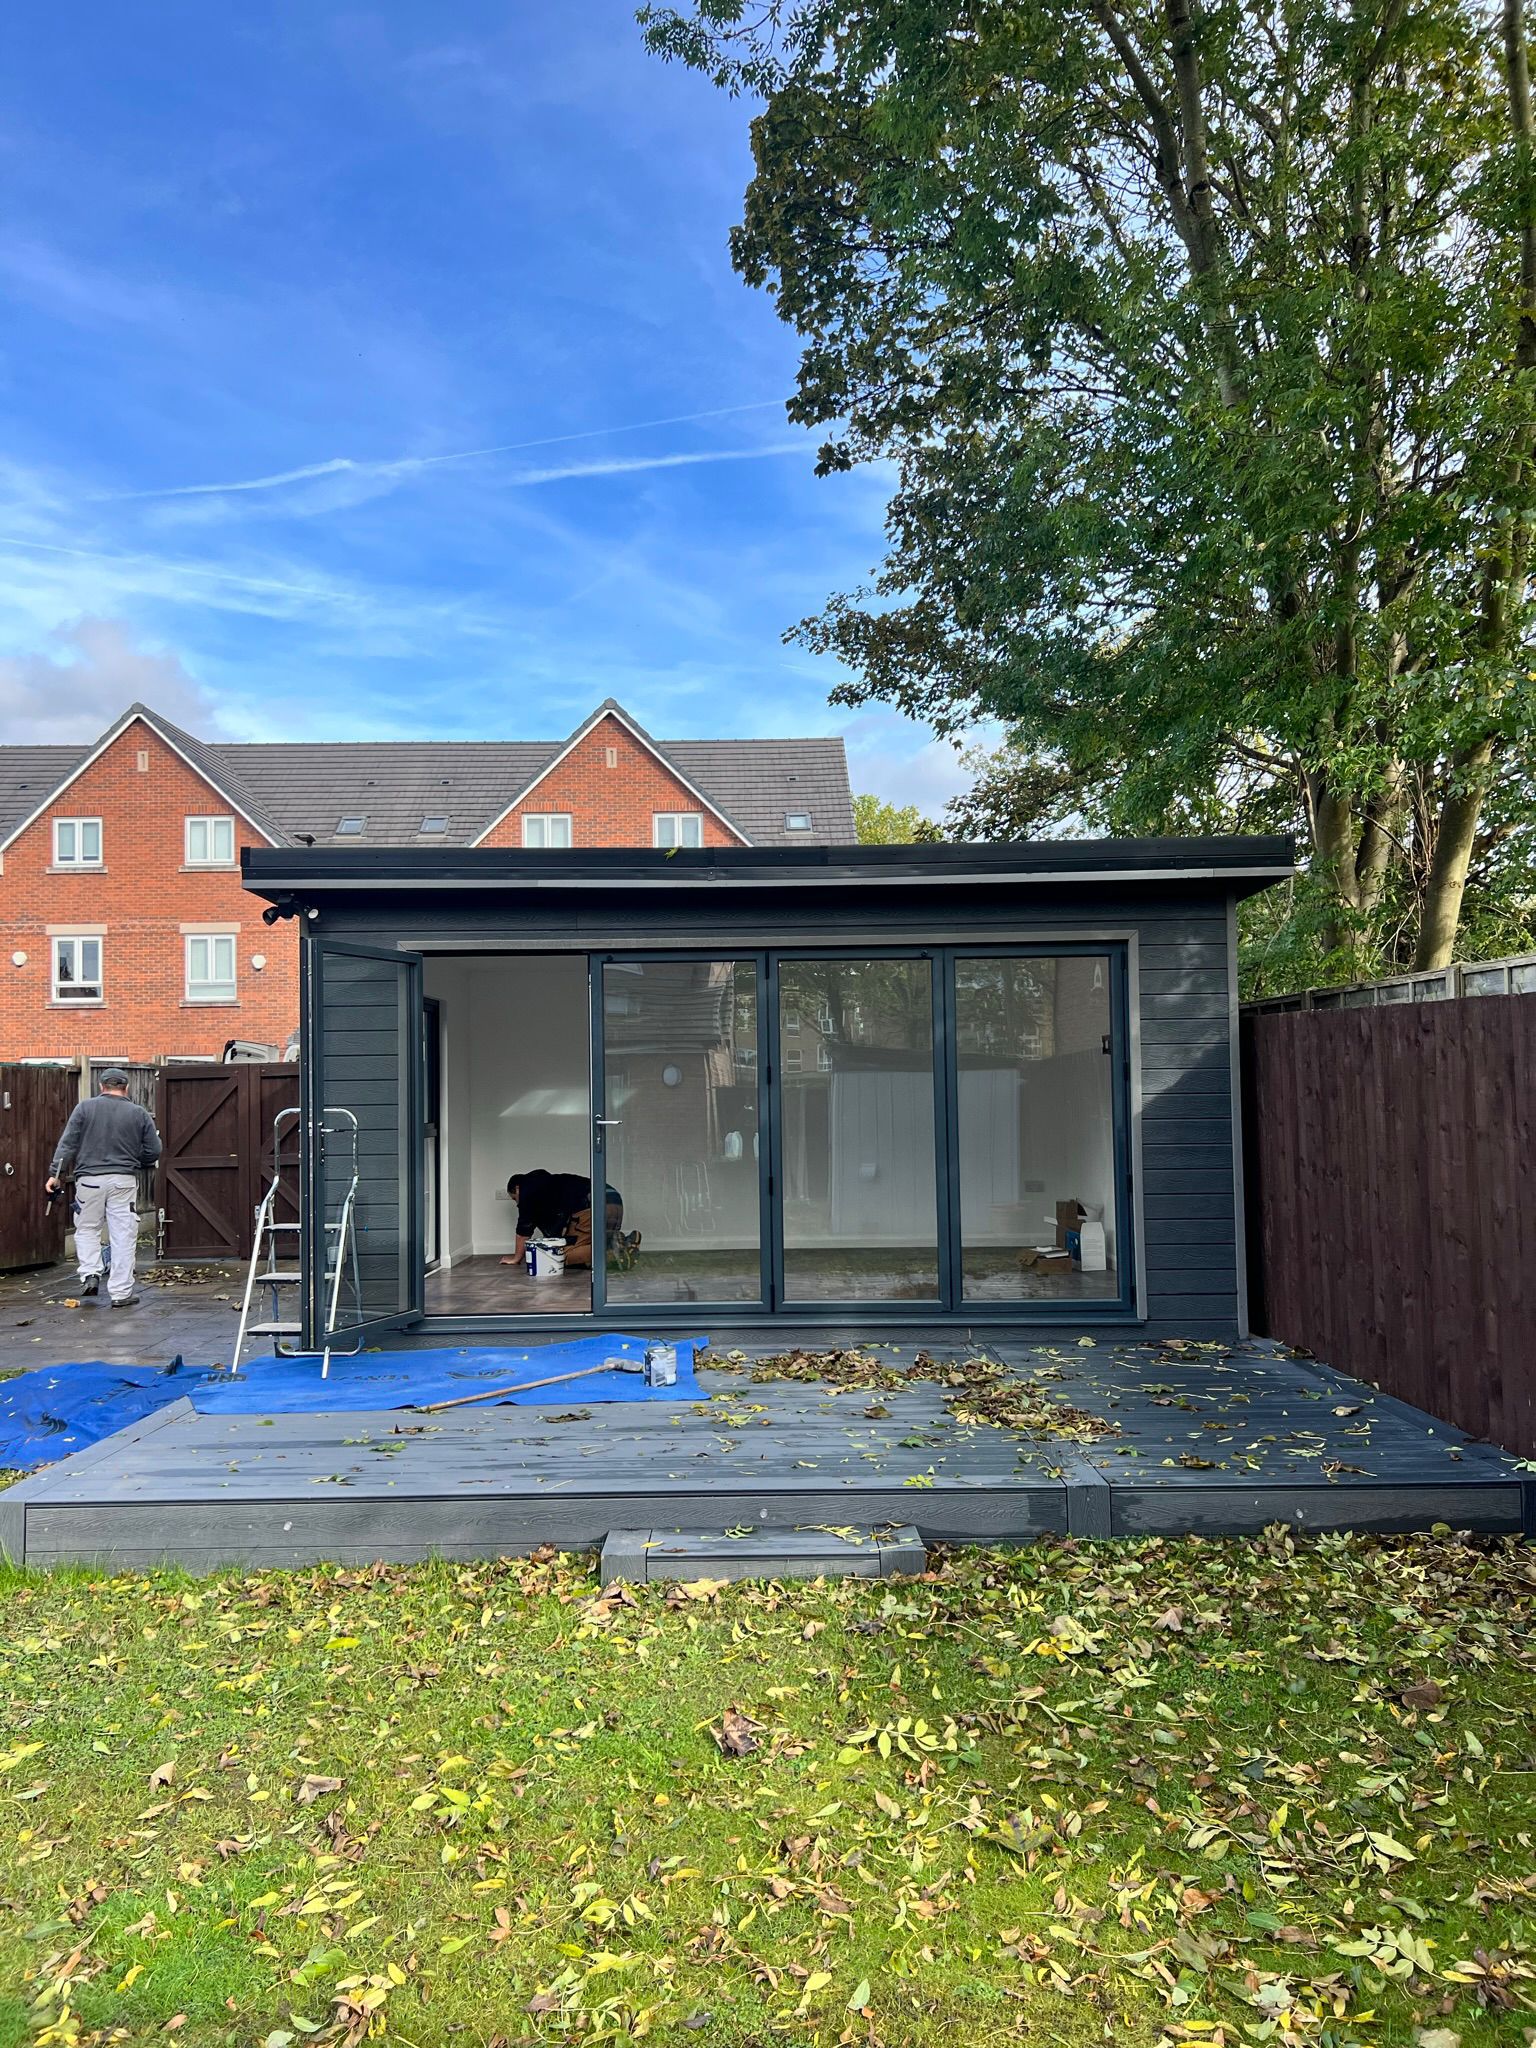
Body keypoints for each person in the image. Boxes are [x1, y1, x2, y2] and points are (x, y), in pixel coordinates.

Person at [46, 1069, 162, 1309]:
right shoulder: (139, 1113)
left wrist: (55, 1175)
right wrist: (135, 1160)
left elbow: (68, 1143)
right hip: (123, 1180)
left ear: (101, 1086)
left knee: (87, 1228)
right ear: (126, 1088)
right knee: (123, 1235)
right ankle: (120, 1293)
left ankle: (90, 1273)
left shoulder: (84, 1108)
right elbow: (154, 1150)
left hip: (89, 1180)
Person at [500, 1170, 624, 1272]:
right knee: (592, 1242)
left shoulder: (527, 1189)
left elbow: (524, 1229)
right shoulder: (549, 1184)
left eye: (515, 1198)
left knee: (559, 1255)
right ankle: (617, 1243)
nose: (517, 1203)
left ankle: (614, 1252)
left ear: (517, 1188)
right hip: (614, 1200)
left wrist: (516, 1258)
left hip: (593, 1204)